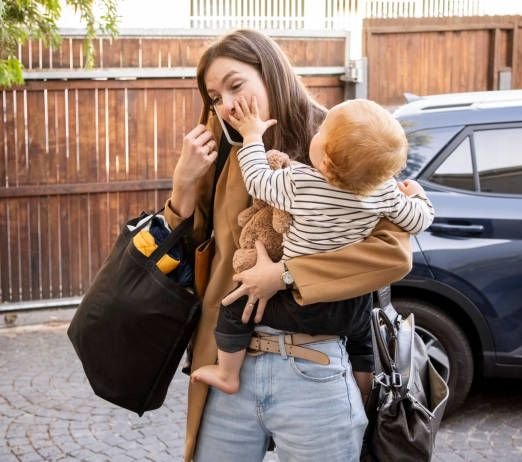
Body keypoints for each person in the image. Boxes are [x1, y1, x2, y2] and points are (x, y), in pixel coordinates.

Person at [165, 29, 417, 462]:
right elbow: (191, 253)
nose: (226, 104)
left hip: (312, 364)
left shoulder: (337, 137)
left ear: (270, 72)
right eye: (214, 96)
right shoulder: (224, 150)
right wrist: (182, 186)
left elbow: (393, 253)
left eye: (236, 85)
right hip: (230, 359)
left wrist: (284, 275)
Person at [189, 95, 434, 395]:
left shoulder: (301, 183)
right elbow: (418, 220)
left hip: (299, 302)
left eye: (321, 131)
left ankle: (228, 373)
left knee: (234, 305)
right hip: (347, 304)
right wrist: (418, 194)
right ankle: (363, 389)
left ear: (326, 162)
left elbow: (257, 180)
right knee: (362, 338)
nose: (315, 131)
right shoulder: (385, 194)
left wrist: (252, 135)